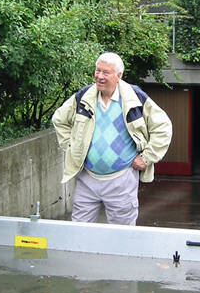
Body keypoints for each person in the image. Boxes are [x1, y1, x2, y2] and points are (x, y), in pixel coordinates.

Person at [52, 52, 172, 225]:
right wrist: (72, 148)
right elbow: (59, 119)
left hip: (122, 180)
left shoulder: (135, 97)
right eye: (97, 71)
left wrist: (146, 158)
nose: (99, 76)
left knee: (122, 238)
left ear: (119, 75)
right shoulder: (84, 96)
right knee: (78, 232)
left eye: (105, 72)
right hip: (87, 179)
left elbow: (163, 127)